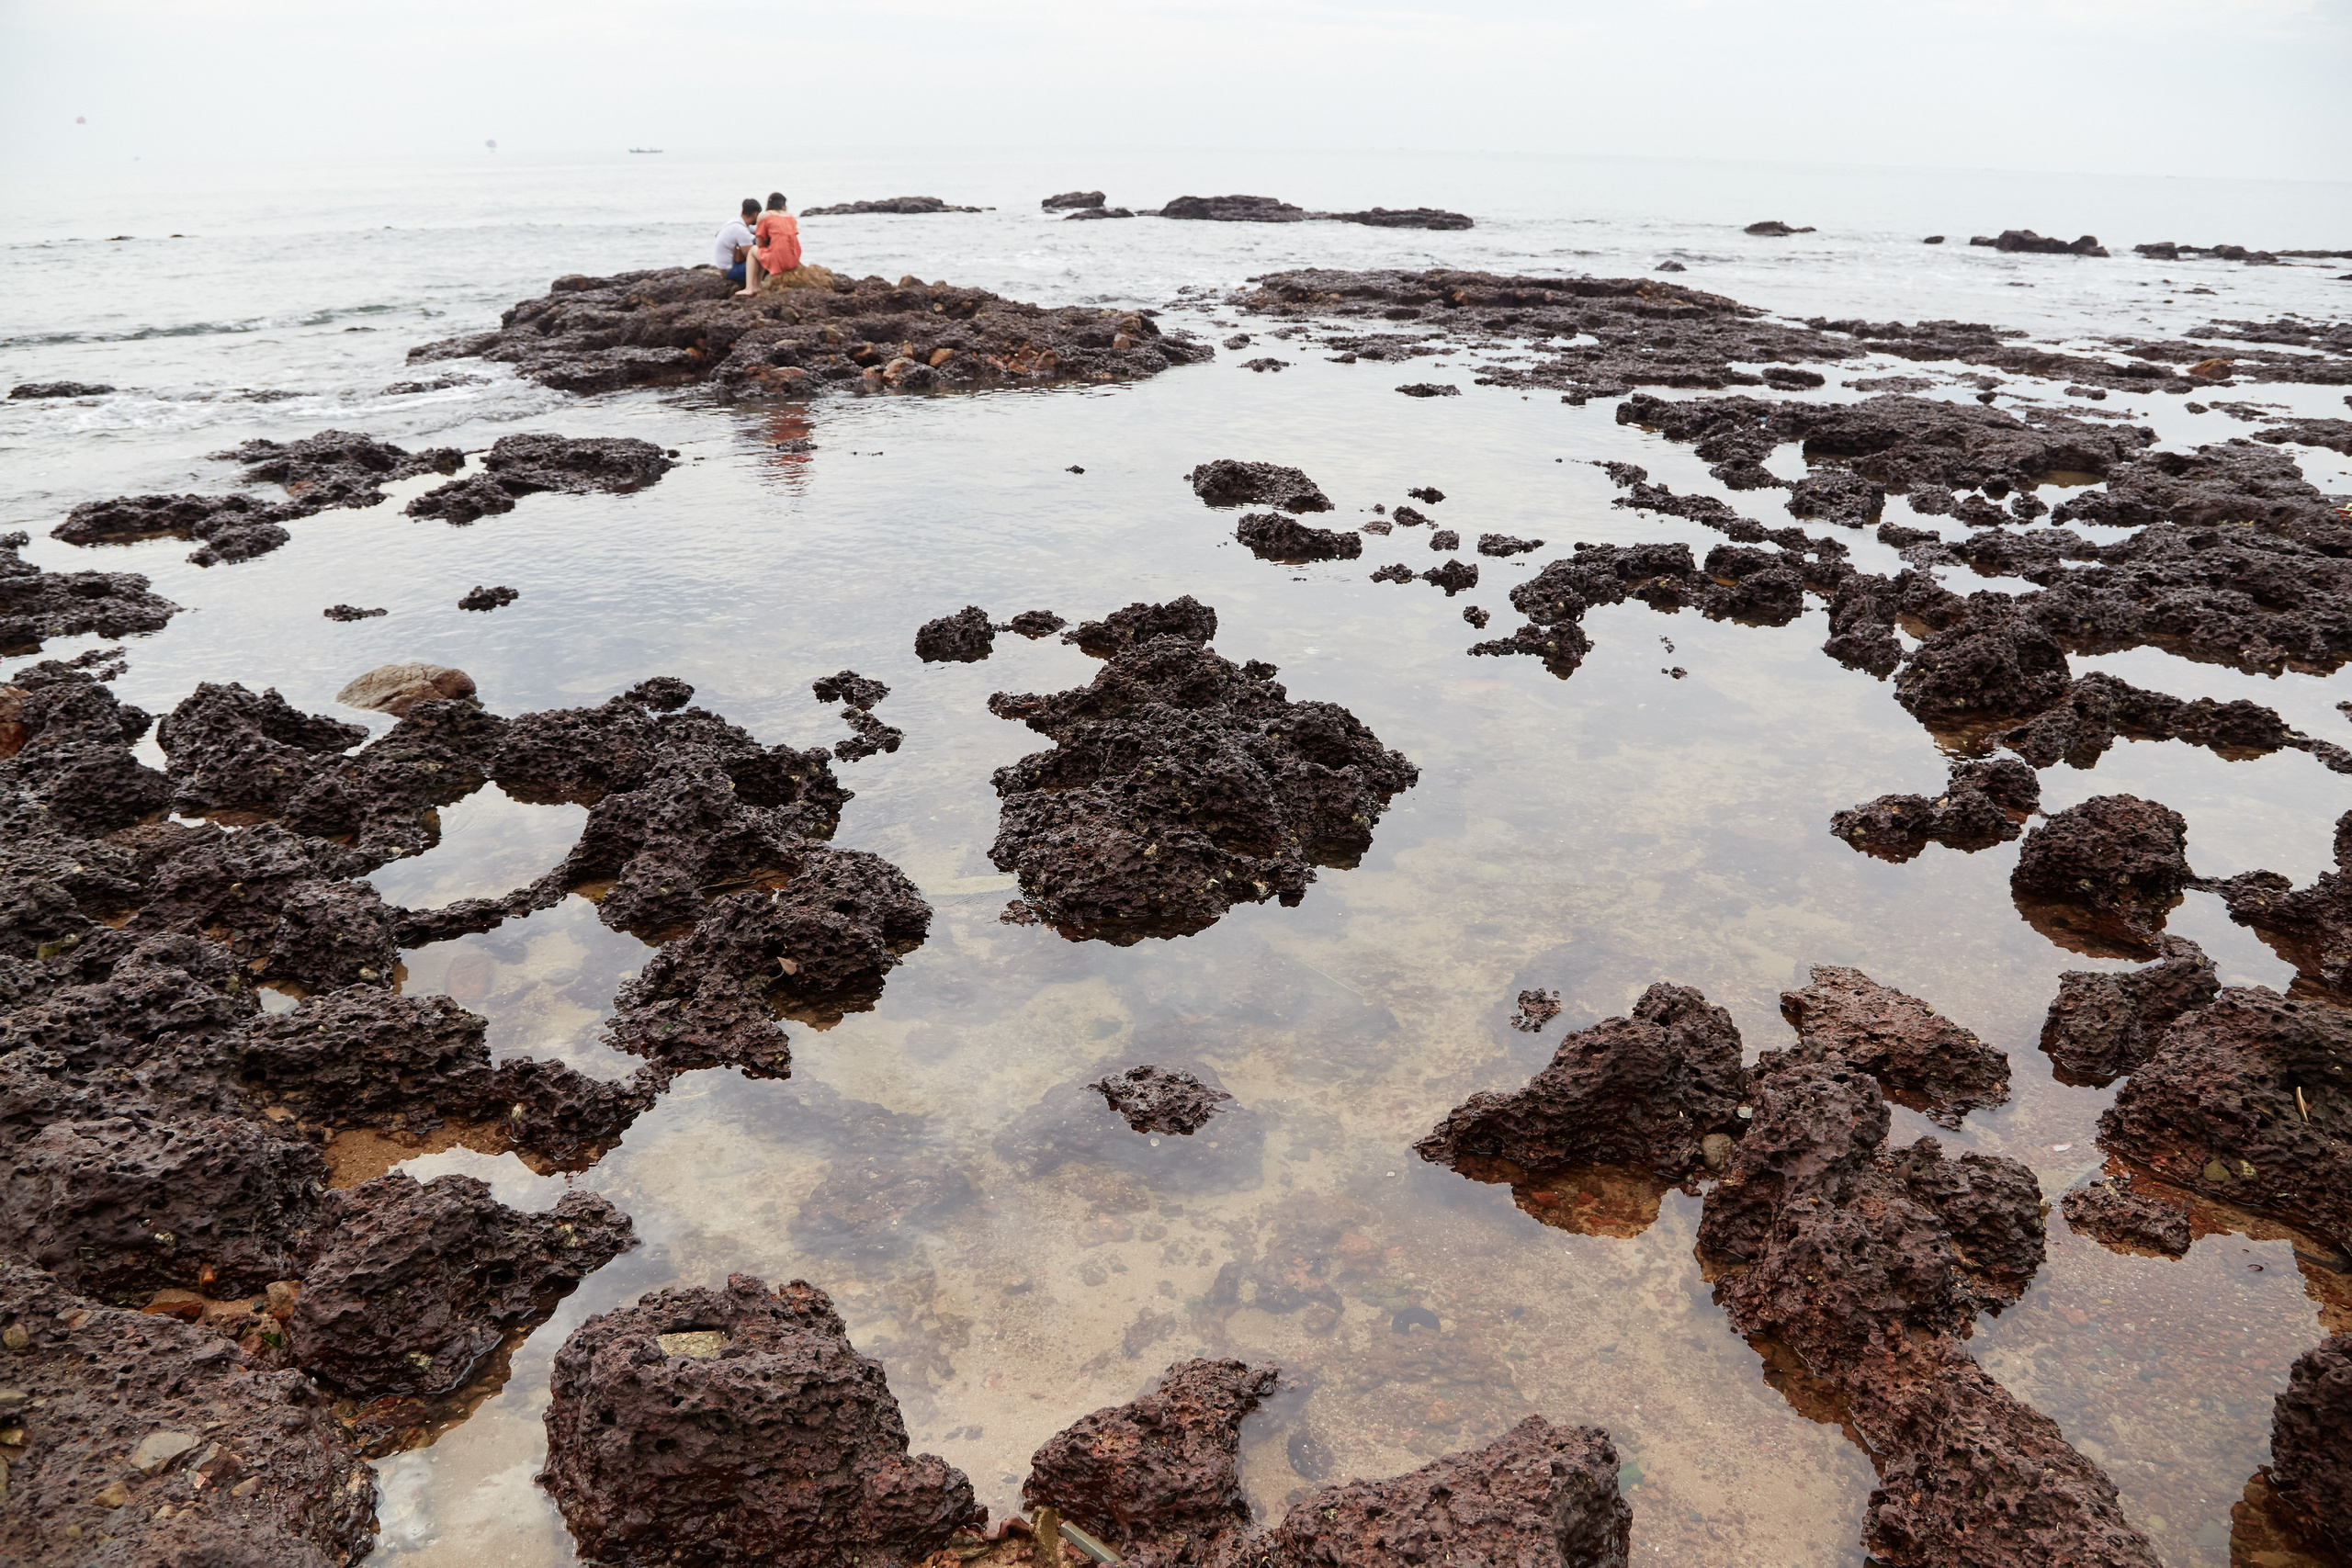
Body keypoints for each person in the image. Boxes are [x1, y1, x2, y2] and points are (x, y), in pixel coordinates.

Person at [739, 192, 801, 296]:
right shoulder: (790, 217)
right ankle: (757, 285)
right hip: (794, 259)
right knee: (764, 251)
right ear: (783, 205)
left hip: (779, 260)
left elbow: (760, 244)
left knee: (753, 251)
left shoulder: (764, 216)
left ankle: (750, 287)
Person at [713, 197, 758, 286]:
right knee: (765, 262)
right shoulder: (741, 229)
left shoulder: (737, 221)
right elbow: (750, 256)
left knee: (759, 239)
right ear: (755, 215)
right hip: (730, 271)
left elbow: (759, 231)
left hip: (725, 267)